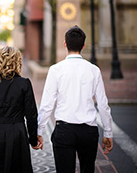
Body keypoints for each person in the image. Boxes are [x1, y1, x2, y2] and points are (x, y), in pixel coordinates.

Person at [36, 25, 113, 173]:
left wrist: (39, 131)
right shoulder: (93, 70)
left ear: (65, 44)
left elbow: (47, 104)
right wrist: (108, 132)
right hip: (88, 131)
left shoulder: (55, 70)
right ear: (83, 45)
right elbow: (103, 105)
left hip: (64, 130)